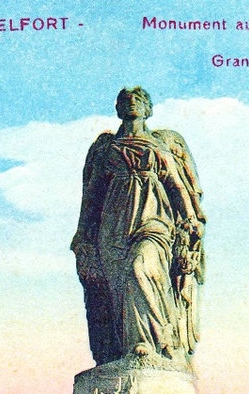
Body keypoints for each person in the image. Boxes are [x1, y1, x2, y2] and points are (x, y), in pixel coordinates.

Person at [72, 86, 206, 365]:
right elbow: (92, 196)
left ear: (148, 109)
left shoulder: (159, 146)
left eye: (139, 99)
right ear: (119, 109)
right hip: (113, 226)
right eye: (125, 100)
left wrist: (191, 218)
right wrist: (83, 235)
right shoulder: (108, 149)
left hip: (153, 220)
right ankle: (128, 348)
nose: (132, 102)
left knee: (140, 268)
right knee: (118, 286)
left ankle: (152, 340)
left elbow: (177, 185)